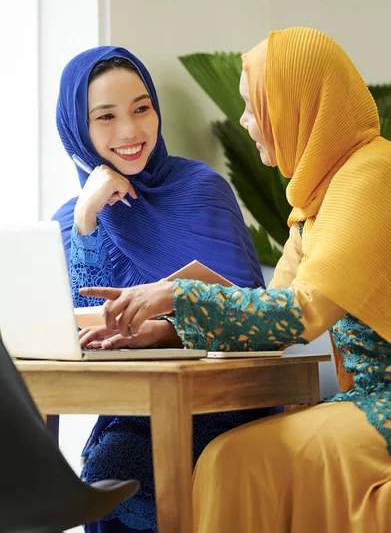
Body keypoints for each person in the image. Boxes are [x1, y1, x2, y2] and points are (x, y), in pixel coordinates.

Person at [82, 28, 391, 533]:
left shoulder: (373, 174)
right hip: (362, 398)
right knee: (229, 459)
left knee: (232, 459)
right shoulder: (315, 203)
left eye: (255, 107)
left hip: (390, 401)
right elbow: (267, 314)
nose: (247, 122)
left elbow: (303, 312)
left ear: (298, 104)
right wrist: (165, 329)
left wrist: (173, 294)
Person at [53, 46, 281, 532]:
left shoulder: (201, 189)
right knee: (105, 470)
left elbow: (254, 319)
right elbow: (75, 327)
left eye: (142, 108)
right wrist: (86, 219)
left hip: (223, 406)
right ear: (77, 128)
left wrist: (166, 330)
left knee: (113, 470)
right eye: (106, 117)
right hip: (135, 414)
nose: (131, 131)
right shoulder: (73, 220)